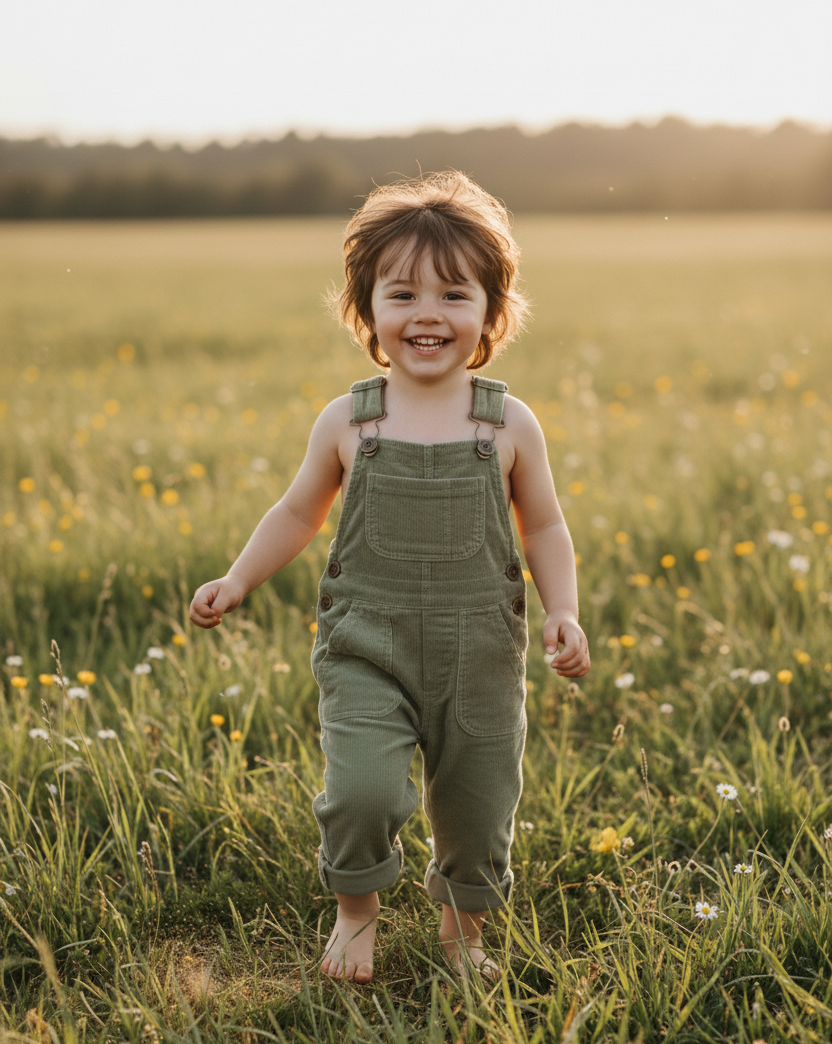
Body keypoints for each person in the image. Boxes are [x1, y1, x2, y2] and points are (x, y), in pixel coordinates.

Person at [189, 171, 590, 984]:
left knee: (479, 804)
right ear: (366, 310)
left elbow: (543, 523)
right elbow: (298, 513)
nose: (427, 315)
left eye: (454, 294)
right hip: (366, 642)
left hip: (478, 650)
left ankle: (462, 929)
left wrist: (564, 612)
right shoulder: (349, 421)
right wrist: (237, 580)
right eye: (401, 294)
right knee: (362, 791)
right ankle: (356, 915)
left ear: (491, 313)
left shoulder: (508, 423)